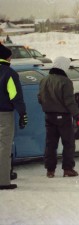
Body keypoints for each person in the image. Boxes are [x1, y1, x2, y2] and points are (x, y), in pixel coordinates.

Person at [38, 56, 79, 178]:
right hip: (63, 118)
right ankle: (68, 169)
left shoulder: (44, 80)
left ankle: (50, 170)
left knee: (50, 144)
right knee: (68, 143)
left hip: (49, 116)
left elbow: (40, 98)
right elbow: (70, 101)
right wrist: (77, 116)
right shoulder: (65, 81)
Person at [0, 43, 27, 189]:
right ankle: (3, 181)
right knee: (4, 146)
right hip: (3, 115)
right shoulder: (9, 73)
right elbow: (15, 97)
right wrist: (23, 113)